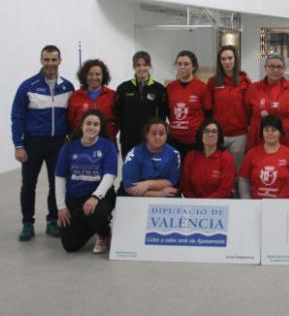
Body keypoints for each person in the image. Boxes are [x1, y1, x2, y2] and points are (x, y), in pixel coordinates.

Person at [11, 45, 74, 241]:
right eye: (46, 60)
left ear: (60, 61)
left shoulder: (68, 87)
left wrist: (70, 139)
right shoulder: (27, 86)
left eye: (54, 60)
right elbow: (17, 117)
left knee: (57, 183)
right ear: (41, 61)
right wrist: (18, 145)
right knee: (29, 184)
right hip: (33, 143)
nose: (50, 64)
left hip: (58, 144)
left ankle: (53, 220)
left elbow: (72, 117)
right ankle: (27, 223)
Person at [54, 110, 117, 253]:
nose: (92, 127)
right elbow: (60, 177)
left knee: (94, 212)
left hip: (99, 196)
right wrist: (61, 207)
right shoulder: (69, 147)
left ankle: (103, 233)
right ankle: (92, 225)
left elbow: (109, 175)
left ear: (100, 128)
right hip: (74, 197)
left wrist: (95, 196)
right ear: (81, 126)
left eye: (96, 124)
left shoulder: (108, 146)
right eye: (88, 123)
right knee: (70, 245)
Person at [114, 51, 168, 159]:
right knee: (130, 170)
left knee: (149, 171)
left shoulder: (159, 89)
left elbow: (163, 115)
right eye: (138, 65)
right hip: (129, 138)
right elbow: (117, 114)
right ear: (134, 66)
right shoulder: (123, 88)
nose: (142, 68)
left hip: (150, 139)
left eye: (145, 65)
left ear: (149, 66)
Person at [238, 115, 289, 199]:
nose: (270, 133)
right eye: (266, 130)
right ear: (261, 132)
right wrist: (247, 202)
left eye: (274, 130)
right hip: (258, 206)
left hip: (284, 206)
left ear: (280, 132)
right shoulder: (251, 154)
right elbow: (244, 180)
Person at [245, 54, 289, 152]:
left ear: (284, 68)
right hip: (260, 142)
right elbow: (247, 113)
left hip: (287, 141)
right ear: (265, 68)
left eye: (279, 67)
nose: (275, 70)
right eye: (271, 66)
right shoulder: (253, 89)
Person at [208, 45, 251, 172]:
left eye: (230, 58)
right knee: (217, 168)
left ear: (235, 60)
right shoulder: (213, 82)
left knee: (236, 170)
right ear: (219, 61)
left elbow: (249, 108)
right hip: (218, 134)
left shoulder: (245, 81)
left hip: (239, 135)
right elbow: (208, 108)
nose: (227, 62)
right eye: (223, 59)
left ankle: (236, 192)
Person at [167, 50, 212, 162]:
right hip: (175, 140)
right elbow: (167, 112)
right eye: (179, 64)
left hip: (195, 141)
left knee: (193, 173)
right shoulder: (170, 88)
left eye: (186, 64)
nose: (182, 67)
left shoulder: (202, 88)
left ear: (194, 66)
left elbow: (208, 115)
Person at [120, 118, 181, 197]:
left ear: (167, 135)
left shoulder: (174, 154)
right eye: (153, 133)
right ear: (146, 135)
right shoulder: (133, 155)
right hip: (137, 195)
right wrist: (158, 194)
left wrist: (148, 184)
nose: (158, 137)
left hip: (164, 190)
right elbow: (129, 187)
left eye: (161, 134)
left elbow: (171, 181)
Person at [181, 120, 235, 199]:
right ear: (200, 135)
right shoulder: (191, 156)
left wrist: (205, 204)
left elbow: (225, 190)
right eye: (206, 131)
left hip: (218, 206)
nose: (210, 134)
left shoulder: (226, 158)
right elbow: (185, 186)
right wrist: (196, 202)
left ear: (219, 135)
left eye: (214, 131)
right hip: (193, 205)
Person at [67, 58, 118, 140]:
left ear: (103, 76)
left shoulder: (112, 95)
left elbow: (117, 121)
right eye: (90, 74)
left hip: (106, 142)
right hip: (81, 143)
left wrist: (110, 135)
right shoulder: (75, 96)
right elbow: (70, 121)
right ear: (84, 76)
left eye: (98, 74)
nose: (94, 77)